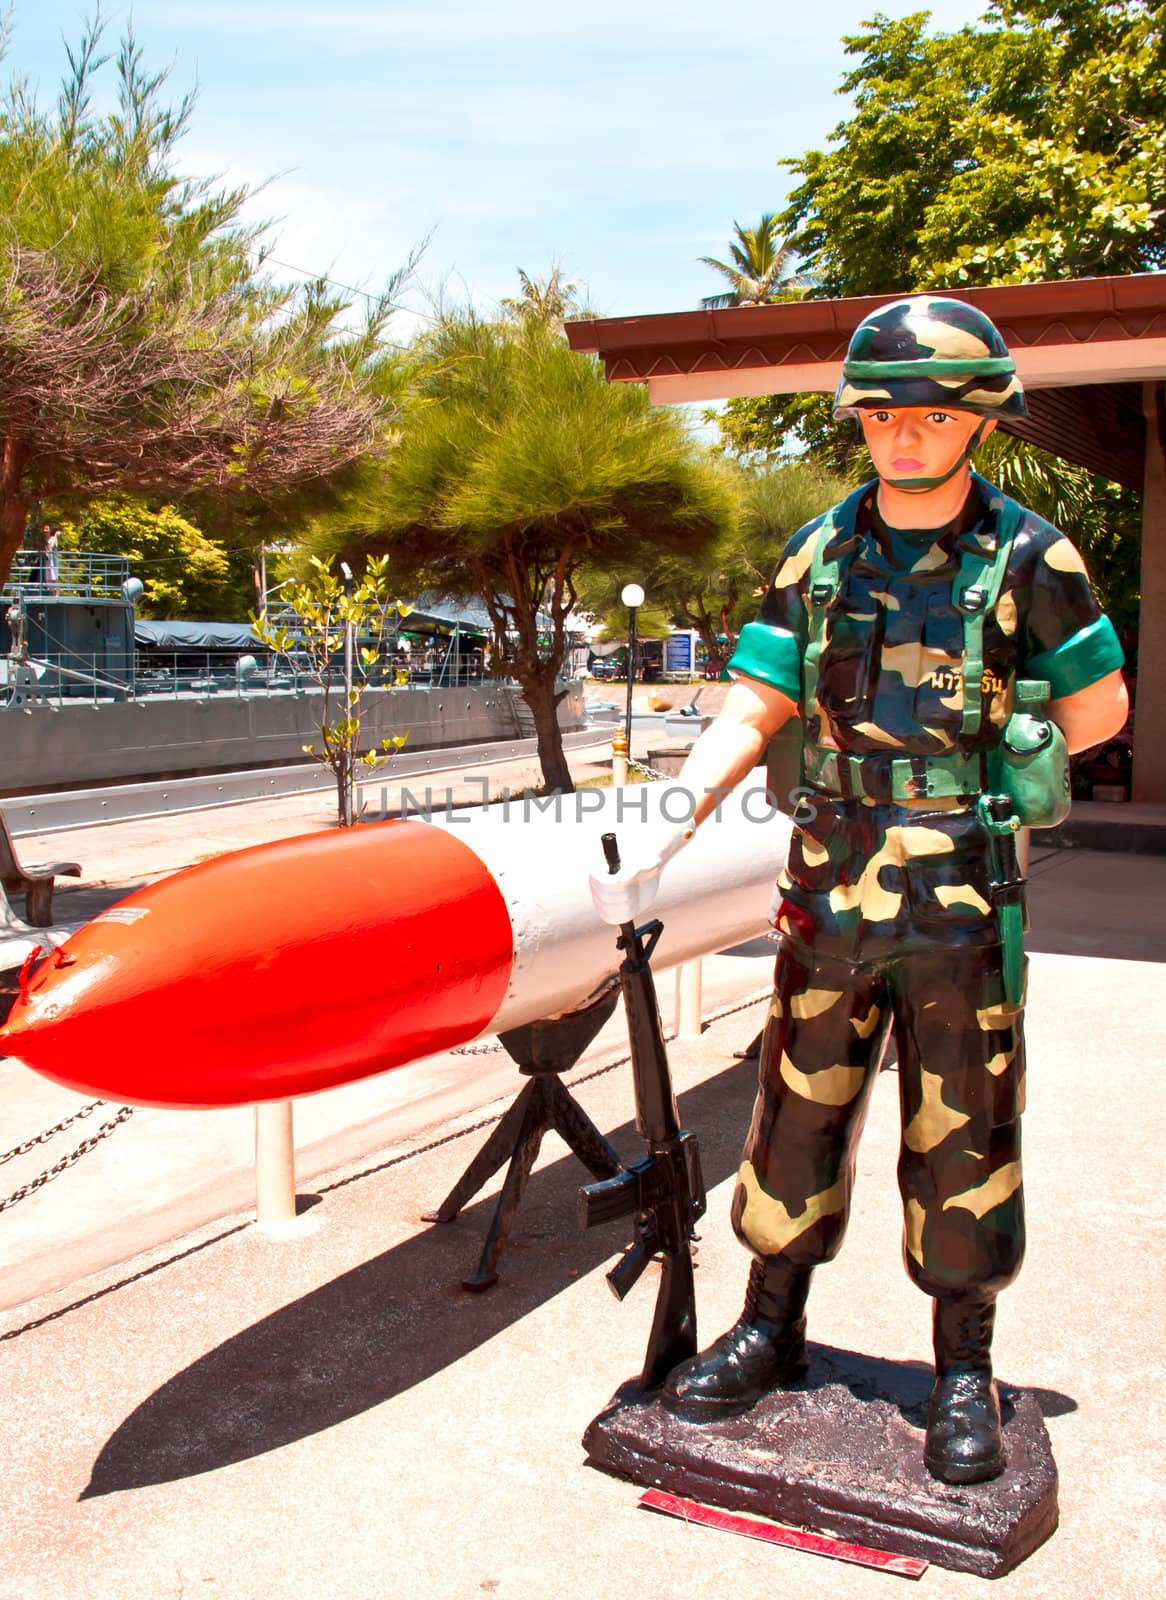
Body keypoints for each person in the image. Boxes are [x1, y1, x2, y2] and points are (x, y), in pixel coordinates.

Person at [590, 296, 1128, 1486]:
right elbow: (757, 694)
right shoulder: (819, 549)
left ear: (975, 421)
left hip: (960, 901)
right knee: (793, 1109)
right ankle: (766, 1326)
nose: (903, 437)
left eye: (930, 415)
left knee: (966, 1131)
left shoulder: (1030, 554)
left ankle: (962, 1371)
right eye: (883, 415)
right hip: (829, 884)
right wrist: (676, 810)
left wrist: (1008, 741)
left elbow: (1099, 708)